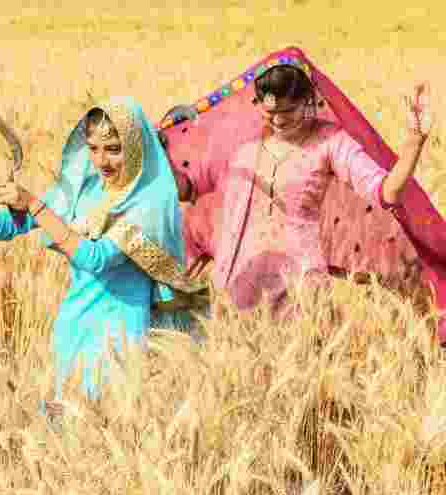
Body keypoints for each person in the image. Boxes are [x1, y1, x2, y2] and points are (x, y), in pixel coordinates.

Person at [0, 97, 206, 403]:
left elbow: (96, 258)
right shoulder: (84, 192)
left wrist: (35, 205)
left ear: (134, 146)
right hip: (73, 332)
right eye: (93, 148)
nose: (102, 161)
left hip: (120, 339)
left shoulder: (147, 205)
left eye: (113, 149)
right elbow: (0, 226)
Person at [162, 48, 441, 334]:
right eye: (269, 111)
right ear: (256, 102)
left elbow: (385, 193)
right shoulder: (241, 145)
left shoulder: (330, 143)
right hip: (235, 285)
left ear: (309, 101)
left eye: (288, 111)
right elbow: (189, 189)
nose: (279, 120)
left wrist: (414, 145)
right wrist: (155, 151)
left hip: (297, 289)